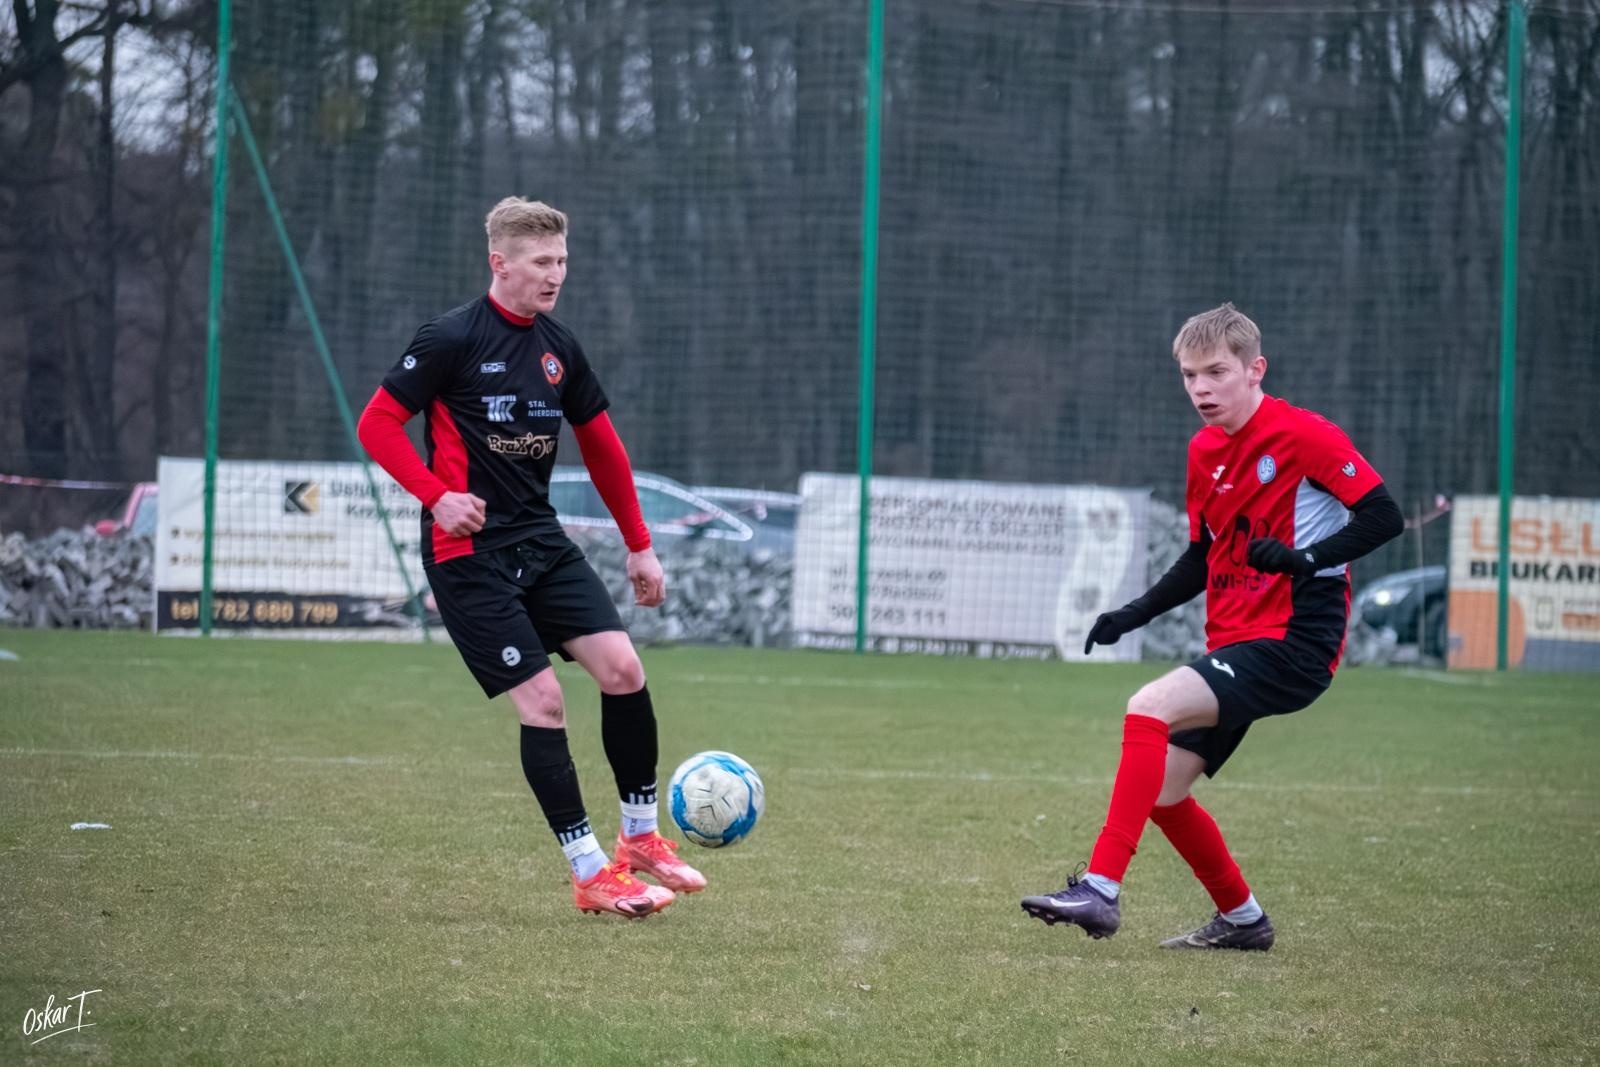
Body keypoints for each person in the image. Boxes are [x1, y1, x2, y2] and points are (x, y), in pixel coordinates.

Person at [356, 196, 704, 919]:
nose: (556, 275)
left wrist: (640, 545)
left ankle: (639, 837)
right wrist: (436, 495)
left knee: (623, 668)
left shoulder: (560, 347)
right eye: (542, 262)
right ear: (501, 262)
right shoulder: (451, 337)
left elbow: (603, 448)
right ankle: (588, 871)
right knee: (543, 701)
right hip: (467, 554)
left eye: (563, 260)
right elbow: (378, 422)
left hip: (539, 541)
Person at [1021, 302, 1403, 949]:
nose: (1200, 388)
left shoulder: (1305, 436)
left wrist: (1305, 559)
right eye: (1189, 375)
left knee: (1146, 706)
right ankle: (1244, 920)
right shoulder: (1205, 451)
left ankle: (1100, 890)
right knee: (1164, 790)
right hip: (1236, 639)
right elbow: (1206, 553)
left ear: (1255, 369)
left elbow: (1383, 516)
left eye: (1215, 372)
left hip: (1293, 639)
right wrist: (1133, 612)